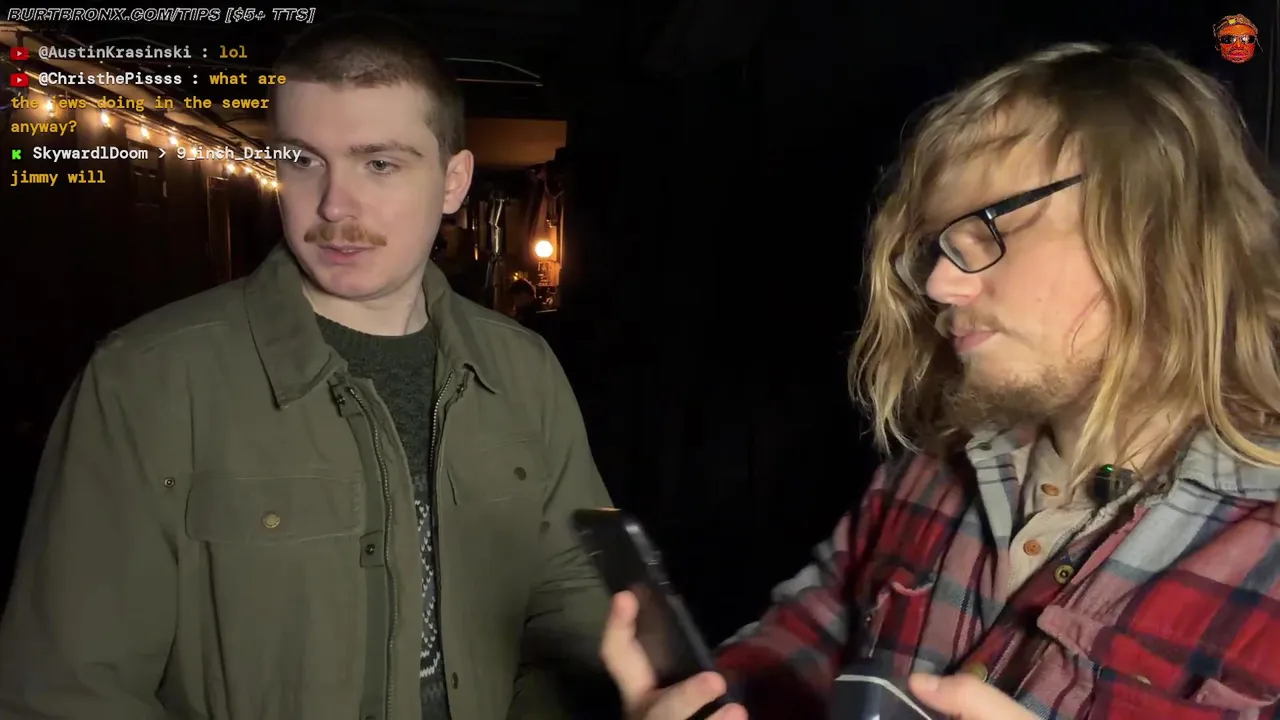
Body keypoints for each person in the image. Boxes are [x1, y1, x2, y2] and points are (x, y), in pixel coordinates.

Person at [600, 42, 1280, 720]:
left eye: (988, 229)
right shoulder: (924, 478)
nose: (939, 285)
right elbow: (795, 648)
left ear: (1156, 226)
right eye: (940, 247)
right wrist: (704, 700)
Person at [0, 13, 614, 720]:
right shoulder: (144, 381)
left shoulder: (524, 368)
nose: (333, 204)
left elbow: (573, 592)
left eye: (379, 164)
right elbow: (69, 691)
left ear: (453, 182)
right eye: (302, 159)